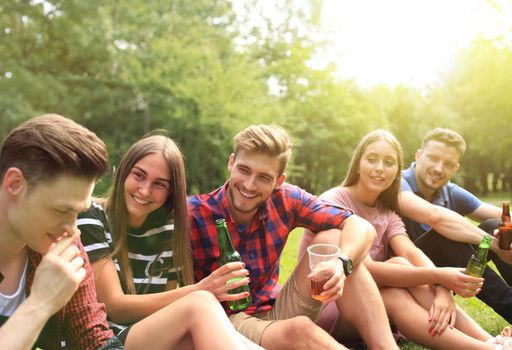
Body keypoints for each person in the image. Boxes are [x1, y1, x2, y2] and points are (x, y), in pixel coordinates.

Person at [188, 124, 400, 350]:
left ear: (279, 181)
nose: (250, 185)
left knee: (335, 240)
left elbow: (360, 226)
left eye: (263, 177)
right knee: (300, 331)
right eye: (244, 170)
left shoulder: (286, 198)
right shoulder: (194, 214)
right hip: (227, 322)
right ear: (231, 163)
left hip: (276, 308)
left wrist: (341, 264)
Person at [300, 129, 512, 349]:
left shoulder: (387, 211)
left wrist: (442, 289)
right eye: (372, 160)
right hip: (327, 304)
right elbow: (363, 272)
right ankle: (488, 348)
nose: (380, 168)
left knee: (402, 262)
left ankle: (490, 340)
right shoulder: (333, 202)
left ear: (396, 171)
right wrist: (441, 276)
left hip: (372, 302)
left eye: (389, 163)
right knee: (393, 287)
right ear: (357, 163)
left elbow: (411, 252)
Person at [78, 132, 262, 350]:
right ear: (123, 173)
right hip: (107, 340)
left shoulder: (169, 231)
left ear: (170, 192)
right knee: (200, 302)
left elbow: (167, 308)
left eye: (159, 184)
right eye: (139, 175)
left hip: (151, 337)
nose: (145, 190)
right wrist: (201, 289)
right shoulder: (91, 215)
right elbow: (114, 305)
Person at [0, 114, 122, 350]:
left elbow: (94, 340)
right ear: (15, 184)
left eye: (78, 213)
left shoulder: (62, 246)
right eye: (61, 210)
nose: (73, 230)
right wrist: (40, 303)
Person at [398, 127, 512, 323]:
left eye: (448, 164)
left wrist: (505, 234)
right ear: (418, 155)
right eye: (433, 158)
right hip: (404, 272)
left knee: (496, 225)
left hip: (442, 273)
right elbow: (435, 217)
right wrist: (494, 245)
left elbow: (498, 215)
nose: (439, 168)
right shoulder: (397, 182)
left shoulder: (448, 190)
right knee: (445, 237)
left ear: (455, 168)